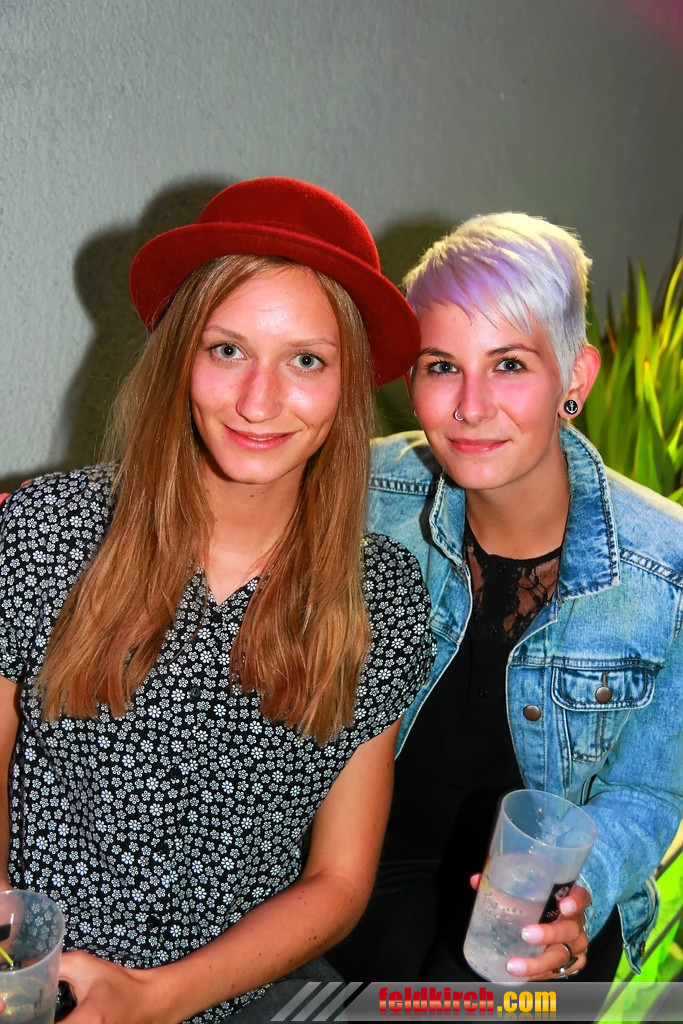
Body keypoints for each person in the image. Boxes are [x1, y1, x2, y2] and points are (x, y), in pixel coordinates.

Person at [0, 176, 435, 1023]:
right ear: (179, 358)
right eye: (227, 350)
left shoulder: (378, 596)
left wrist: (159, 999)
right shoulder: (47, 529)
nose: (258, 401)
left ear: (346, 385)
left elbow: (338, 880)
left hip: (240, 996)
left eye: (305, 360)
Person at [329, 212, 683, 985]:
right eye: (441, 366)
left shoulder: (667, 569)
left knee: (495, 972)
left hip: (544, 899)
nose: (470, 405)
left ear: (574, 379)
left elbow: (647, 792)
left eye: (509, 365)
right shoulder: (360, 493)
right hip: (363, 869)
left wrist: (582, 890)